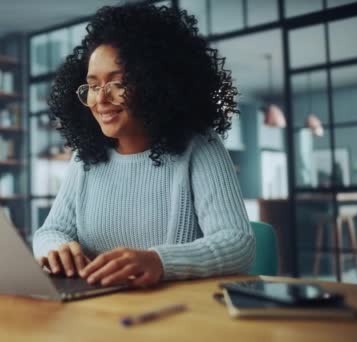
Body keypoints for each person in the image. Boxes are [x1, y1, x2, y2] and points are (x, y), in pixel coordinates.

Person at [33, 2, 255, 288]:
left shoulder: (200, 147)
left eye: (117, 83)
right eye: (93, 85)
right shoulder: (84, 159)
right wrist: (57, 249)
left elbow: (237, 244)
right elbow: (50, 231)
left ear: (156, 84)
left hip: (176, 316)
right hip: (95, 312)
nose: (100, 99)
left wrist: (159, 261)